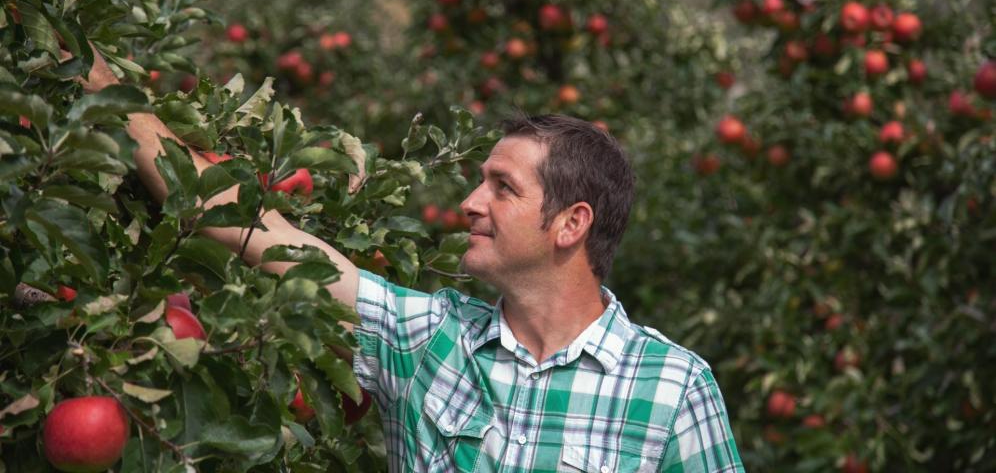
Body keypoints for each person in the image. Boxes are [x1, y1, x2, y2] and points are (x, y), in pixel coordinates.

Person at [84, 52, 743, 472]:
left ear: (572, 224)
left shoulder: (672, 389)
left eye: (503, 188)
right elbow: (250, 225)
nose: (470, 202)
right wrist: (103, 87)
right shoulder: (425, 339)